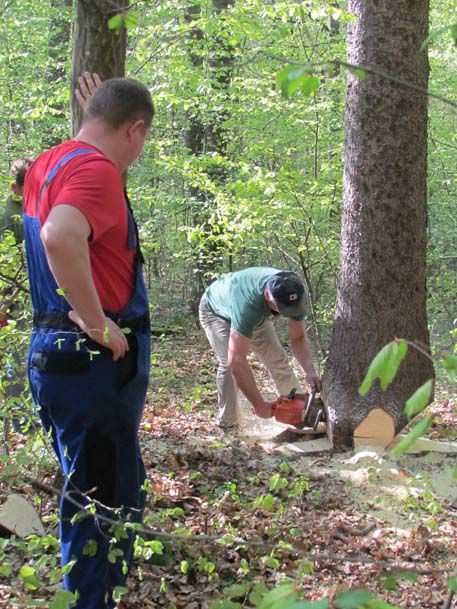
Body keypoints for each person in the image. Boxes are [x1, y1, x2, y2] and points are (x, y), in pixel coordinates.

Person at [23, 77, 154, 609]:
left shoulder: (49, 163)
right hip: (91, 364)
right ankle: (90, 600)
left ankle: (103, 591)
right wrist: (99, 321)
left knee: (106, 485)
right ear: (136, 129)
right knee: (100, 499)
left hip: (54, 356)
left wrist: (100, 117)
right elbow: (59, 234)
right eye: (142, 139)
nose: (140, 153)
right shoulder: (98, 171)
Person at [199, 267, 322, 430]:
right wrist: (259, 405)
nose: (287, 313)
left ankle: (299, 413)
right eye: (283, 309)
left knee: (277, 359)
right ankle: (228, 424)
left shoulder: (293, 292)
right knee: (229, 366)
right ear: (268, 296)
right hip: (216, 312)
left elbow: (298, 338)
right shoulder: (248, 305)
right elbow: (237, 362)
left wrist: (310, 370)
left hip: (257, 314)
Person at [1, 158, 33, 433]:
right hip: (12, 302)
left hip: (35, 301)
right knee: (16, 359)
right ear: (15, 187)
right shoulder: (7, 217)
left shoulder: (37, 211)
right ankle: (20, 420)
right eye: (29, 186)